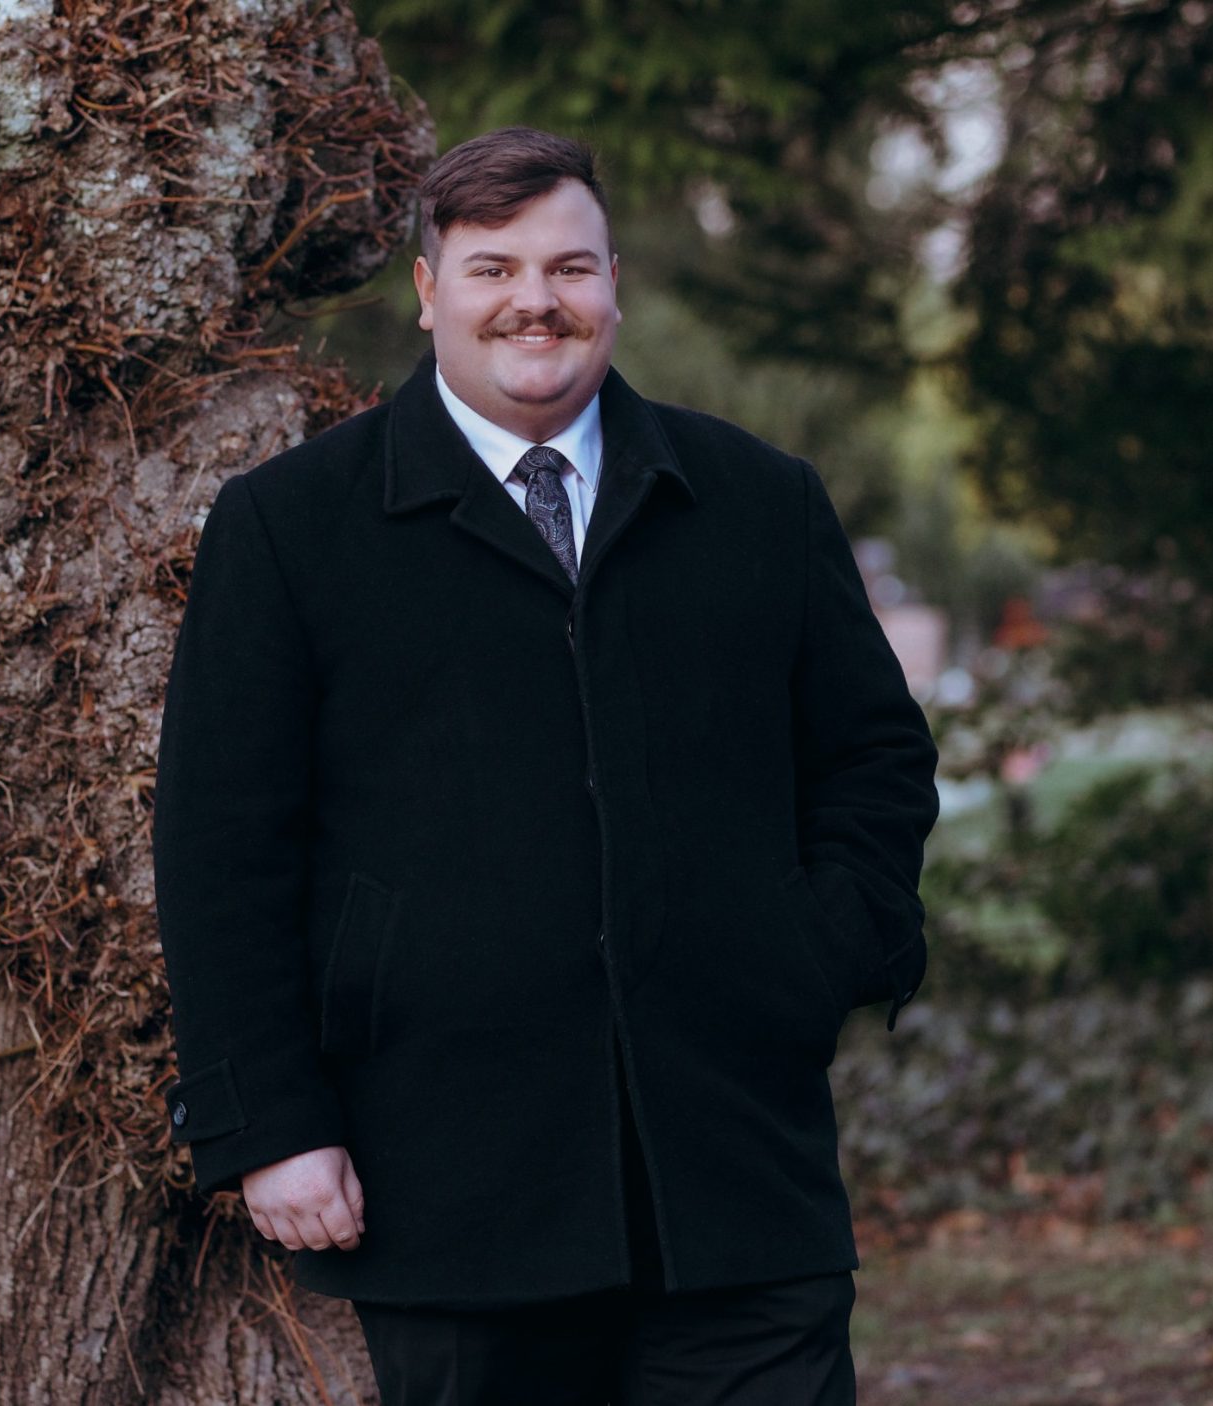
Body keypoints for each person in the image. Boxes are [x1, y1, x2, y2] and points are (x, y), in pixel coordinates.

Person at [153, 126, 939, 1405]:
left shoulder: (758, 500)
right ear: (428, 292)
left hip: (735, 1170)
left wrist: (818, 949)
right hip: (446, 1182)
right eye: (494, 268)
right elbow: (219, 847)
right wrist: (272, 1123)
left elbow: (873, 758)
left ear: (611, 284)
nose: (536, 299)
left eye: (569, 267)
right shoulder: (290, 526)